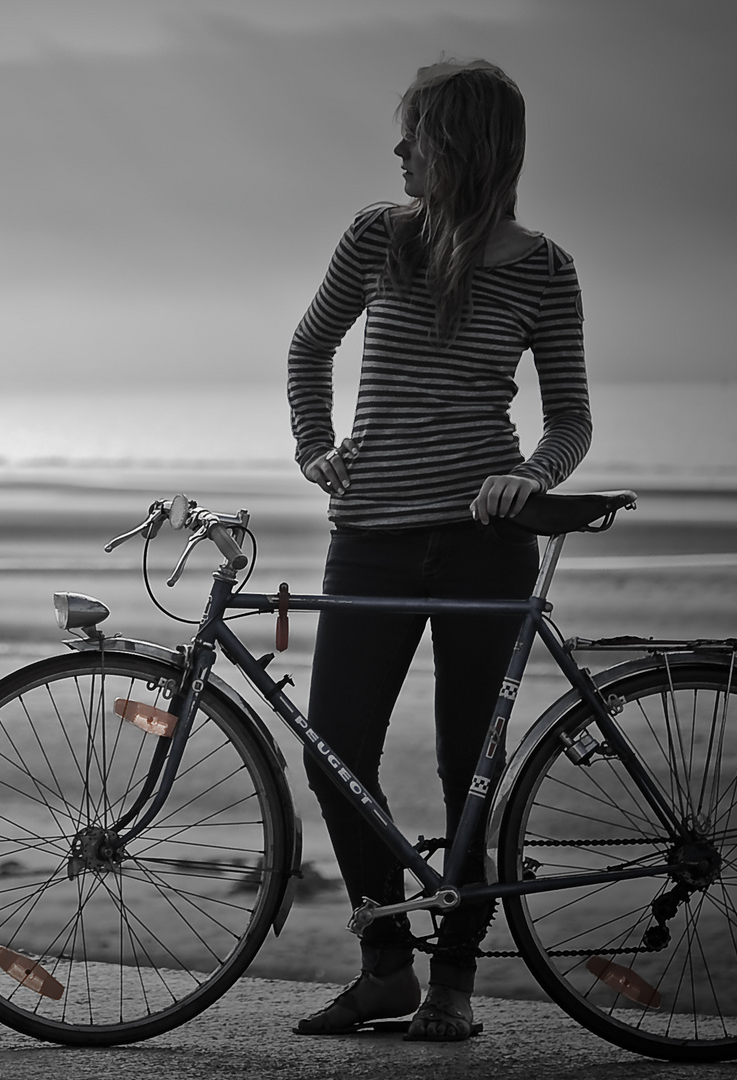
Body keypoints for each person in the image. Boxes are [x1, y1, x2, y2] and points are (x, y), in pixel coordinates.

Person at [283, 59, 590, 1041]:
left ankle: (452, 984)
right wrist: (311, 446)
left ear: (456, 145)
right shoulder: (377, 236)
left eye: (413, 133)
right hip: (367, 537)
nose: (397, 151)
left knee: (473, 775)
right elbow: (308, 347)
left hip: (481, 544)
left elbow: (569, 420)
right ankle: (384, 966)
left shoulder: (544, 268)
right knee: (330, 751)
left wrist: (530, 478)